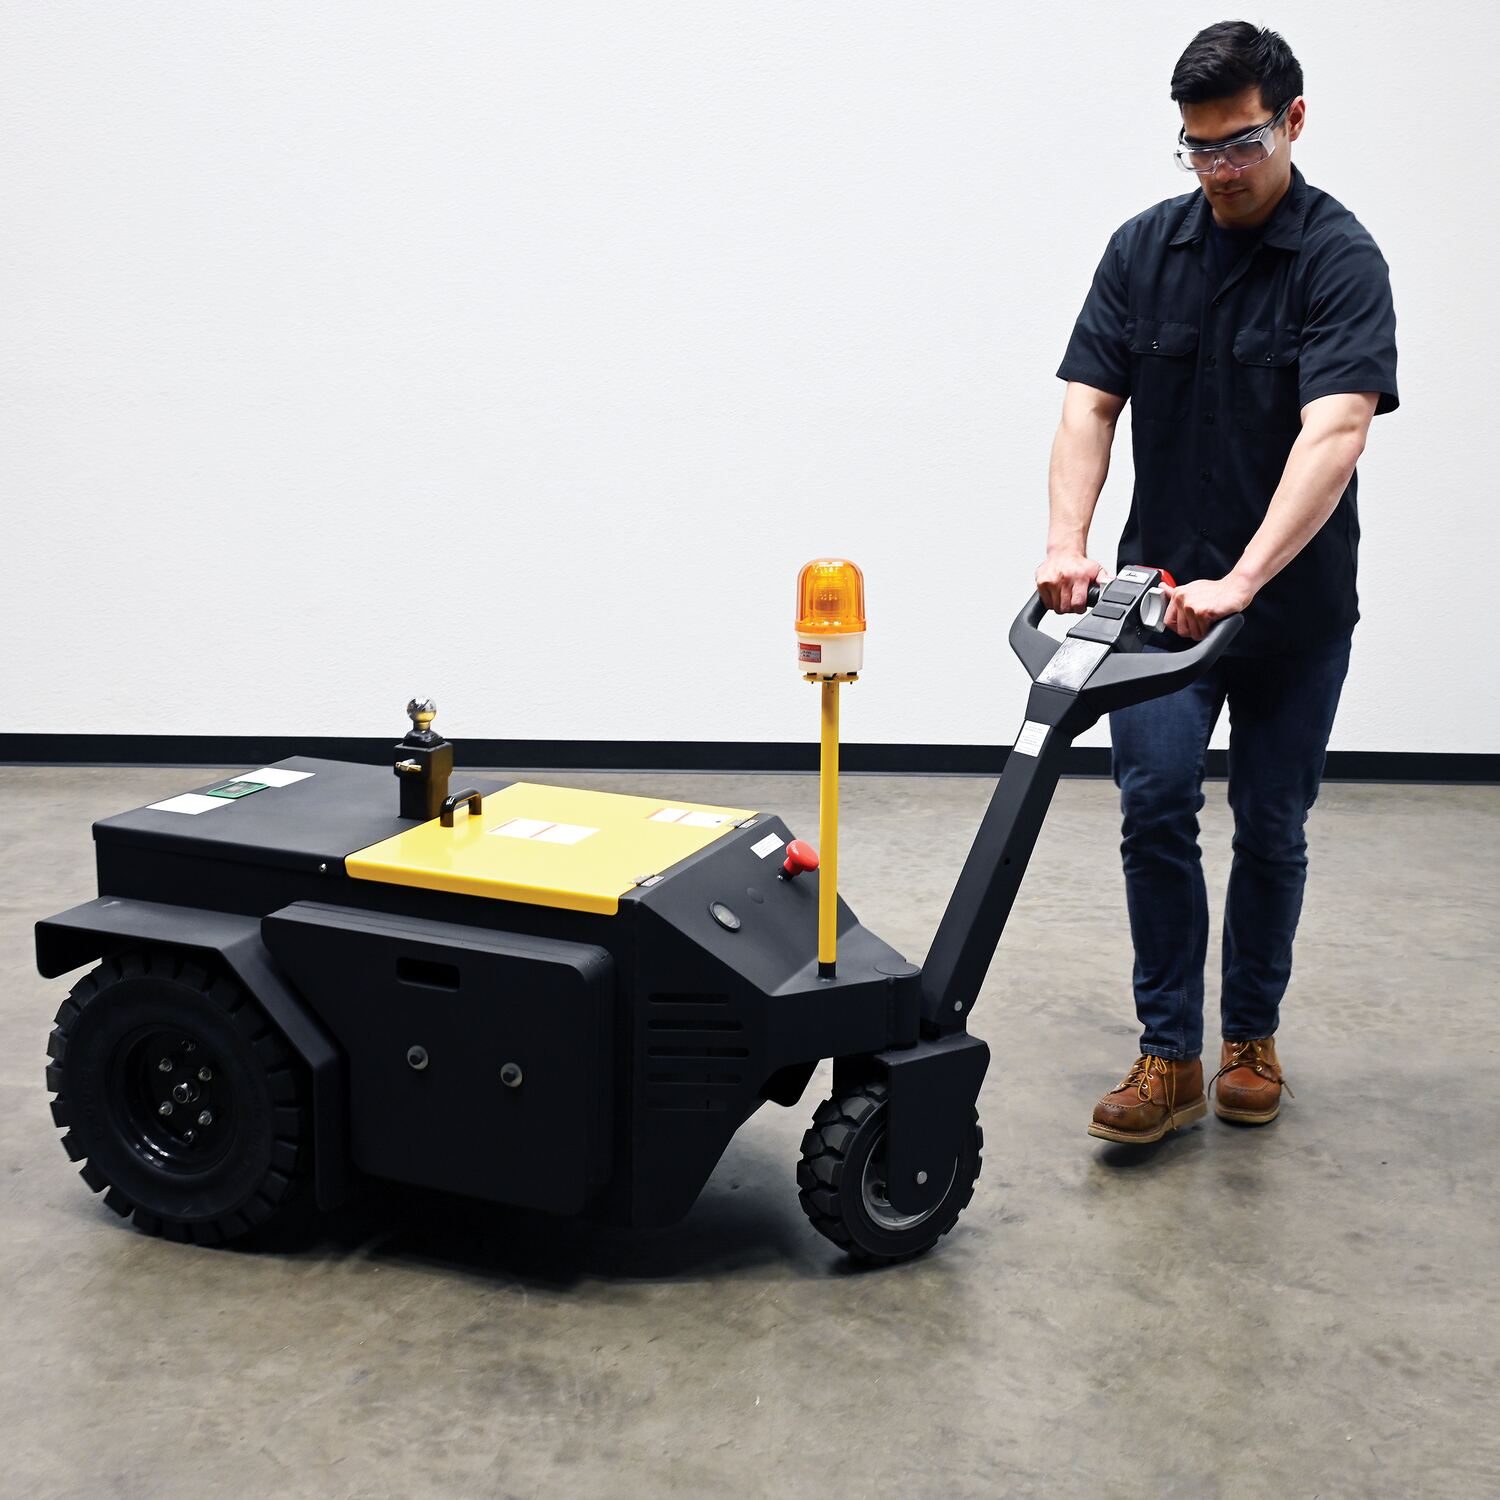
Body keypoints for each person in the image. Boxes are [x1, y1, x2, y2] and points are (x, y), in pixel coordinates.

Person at [1039, 21, 1398, 1143]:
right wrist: (1065, 542)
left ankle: (1250, 1036)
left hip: (1291, 610)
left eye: (1241, 143)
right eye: (1199, 148)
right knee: (1153, 806)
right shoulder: (1142, 249)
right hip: (1157, 603)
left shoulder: (1340, 260)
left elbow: (1336, 432)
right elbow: (1090, 403)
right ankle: (1168, 1053)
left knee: (1273, 825)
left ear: (1294, 121)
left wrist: (1244, 577)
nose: (1220, 169)